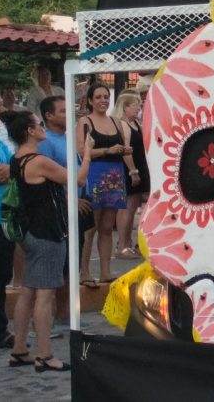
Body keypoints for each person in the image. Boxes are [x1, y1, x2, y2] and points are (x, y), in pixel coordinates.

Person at [7, 110, 93, 372]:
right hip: (47, 233)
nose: (43, 128)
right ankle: (44, 354)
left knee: (29, 291)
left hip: (31, 232)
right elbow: (77, 179)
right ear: (29, 131)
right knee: (44, 294)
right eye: (39, 125)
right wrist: (87, 152)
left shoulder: (17, 159)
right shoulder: (38, 161)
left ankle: (20, 348)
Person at [74, 84, 136, 285]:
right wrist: (107, 150)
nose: (103, 100)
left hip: (114, 175)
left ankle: (106, 271)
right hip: (94, 174)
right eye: (99, 97)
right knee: (90, 227)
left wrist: (124, 151)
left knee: (108, 227)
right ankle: (84, 272)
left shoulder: (116, 122)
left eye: (106, 97)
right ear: (91, 100)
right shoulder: (85, 121)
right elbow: (81, 151)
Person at [111, 93, 148, 259]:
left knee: (134, 207)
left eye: (139, 104)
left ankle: (128, 242)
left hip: (140, 165)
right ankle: (122, 244)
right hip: (131, 168)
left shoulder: (136, 123)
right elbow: (126, 151)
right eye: (134, 104)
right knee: (127, 207)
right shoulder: (124, 125)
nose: (138, 107)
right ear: (125, 107)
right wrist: (133, 171)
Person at [0, 115, 13, 349]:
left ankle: (1, 330)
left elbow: (12, 166)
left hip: (4, 216)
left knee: (1, 276)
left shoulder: (2, 139)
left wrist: (13, 169)